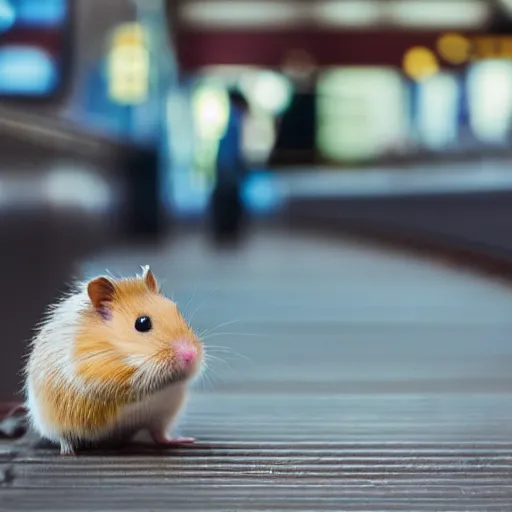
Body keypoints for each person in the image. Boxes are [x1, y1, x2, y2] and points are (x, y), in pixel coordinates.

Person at [209, 88, 249, 243]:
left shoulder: (231, 118)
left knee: (226, 202)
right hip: (229, 169)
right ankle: (227, 233)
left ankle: (225, 233)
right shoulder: (235, 119)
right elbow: (233, 150)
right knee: (229, 203)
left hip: (225, 168)